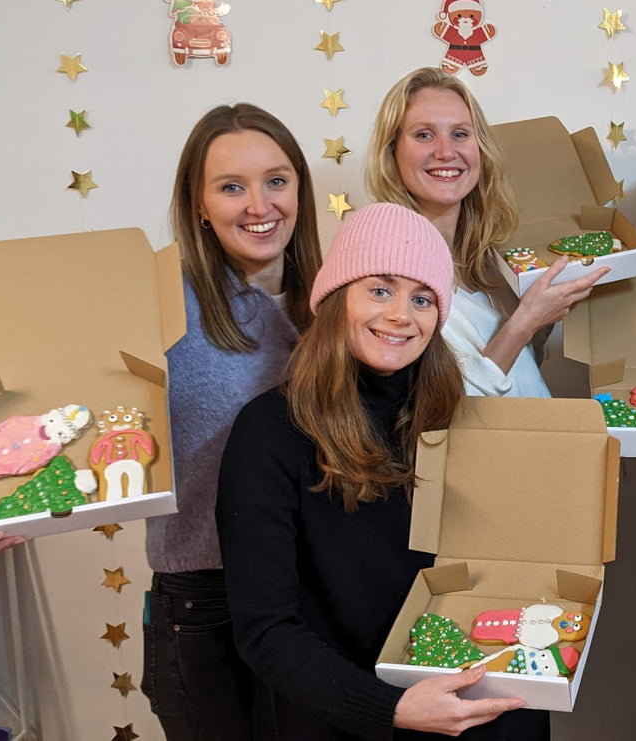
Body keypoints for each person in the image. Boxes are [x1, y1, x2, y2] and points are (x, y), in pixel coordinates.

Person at [216, 203, 529, 739]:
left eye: (422, 297)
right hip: (343, 717)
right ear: (336, 299)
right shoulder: (268, 431)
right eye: (380, 290)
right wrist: (390, 708)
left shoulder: (458, 416)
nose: (401, 315)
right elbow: (266, 631)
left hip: (472, 700)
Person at [140, 103, 323, 739]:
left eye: (276, 180)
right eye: (231, 187)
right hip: (207, 607)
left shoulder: (344, 296)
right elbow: (61, 404)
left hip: (318, 600)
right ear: (198, 202)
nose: (259, 205)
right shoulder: (161, 304)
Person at [365, 67, 606, 398]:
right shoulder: (386, 270)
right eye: (424, 135)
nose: (446, 152)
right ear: (392, 151)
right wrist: (524, 323)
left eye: (461, 134)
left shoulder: (486, 259)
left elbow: (517, 368)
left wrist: (546, 311)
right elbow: (434, 409)